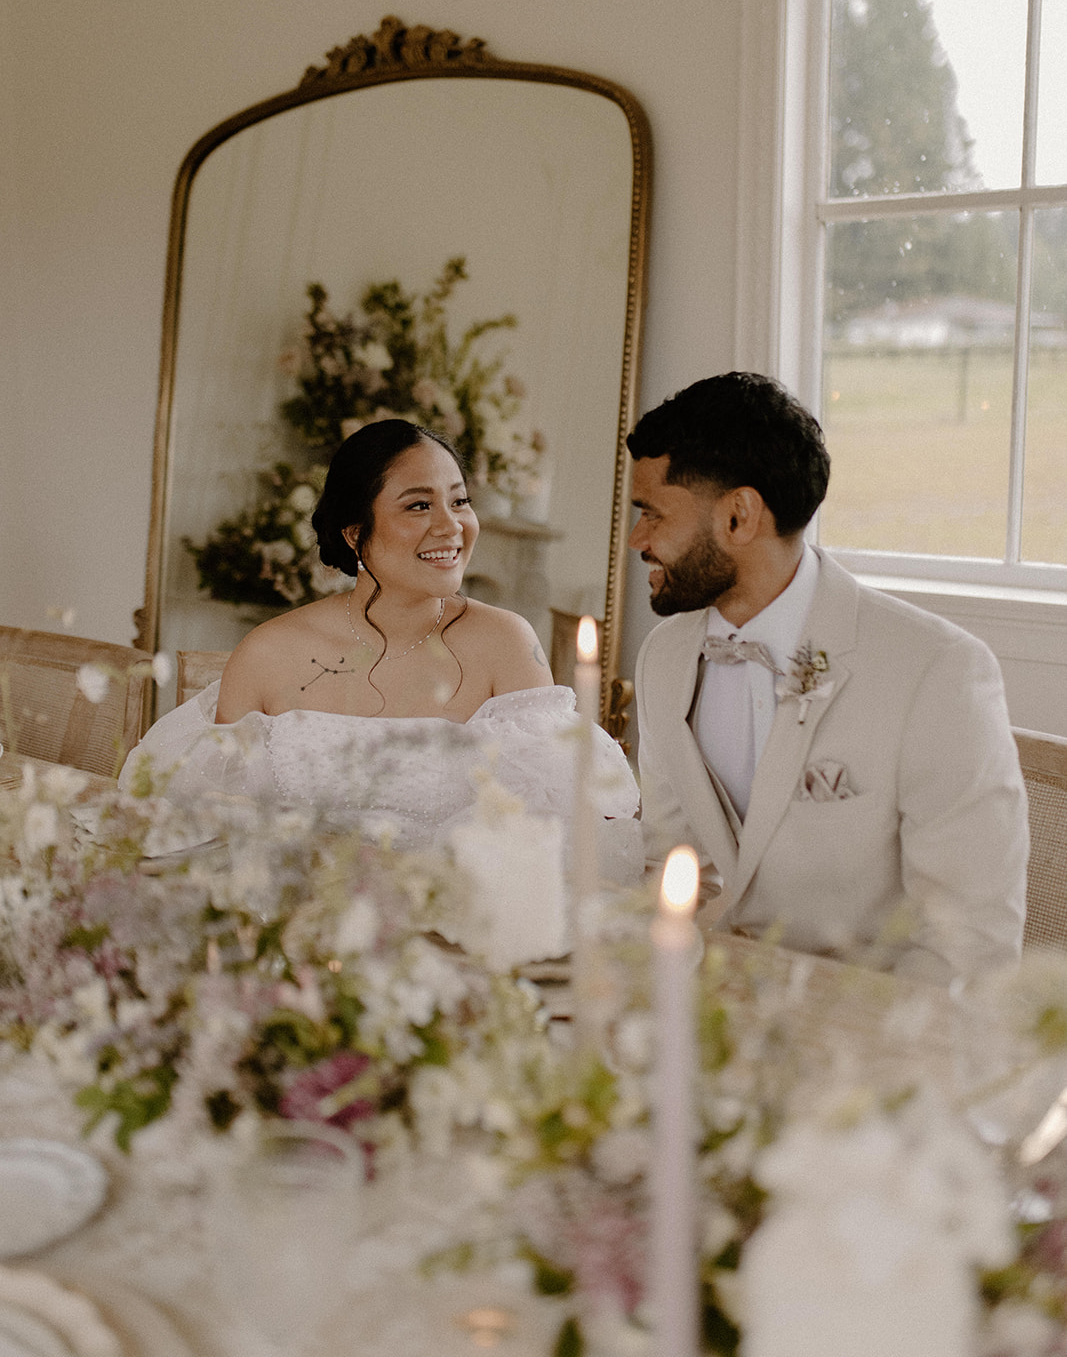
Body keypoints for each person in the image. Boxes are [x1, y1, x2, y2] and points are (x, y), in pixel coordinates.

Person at [627, 371, 1027, 984]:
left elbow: (968, 944)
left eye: (650, 513)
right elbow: (672, 867)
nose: (637, 538)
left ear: (739, 516)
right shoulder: (663, 659)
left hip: (873, 1044)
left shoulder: (937, 671)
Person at [122, 420, 640, 877]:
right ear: (354, 533)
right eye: (419, 505)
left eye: (459, 500)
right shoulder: (267, 653)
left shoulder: (506, 643)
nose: (451, 525)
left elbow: (545, 838)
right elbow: (207, 831)